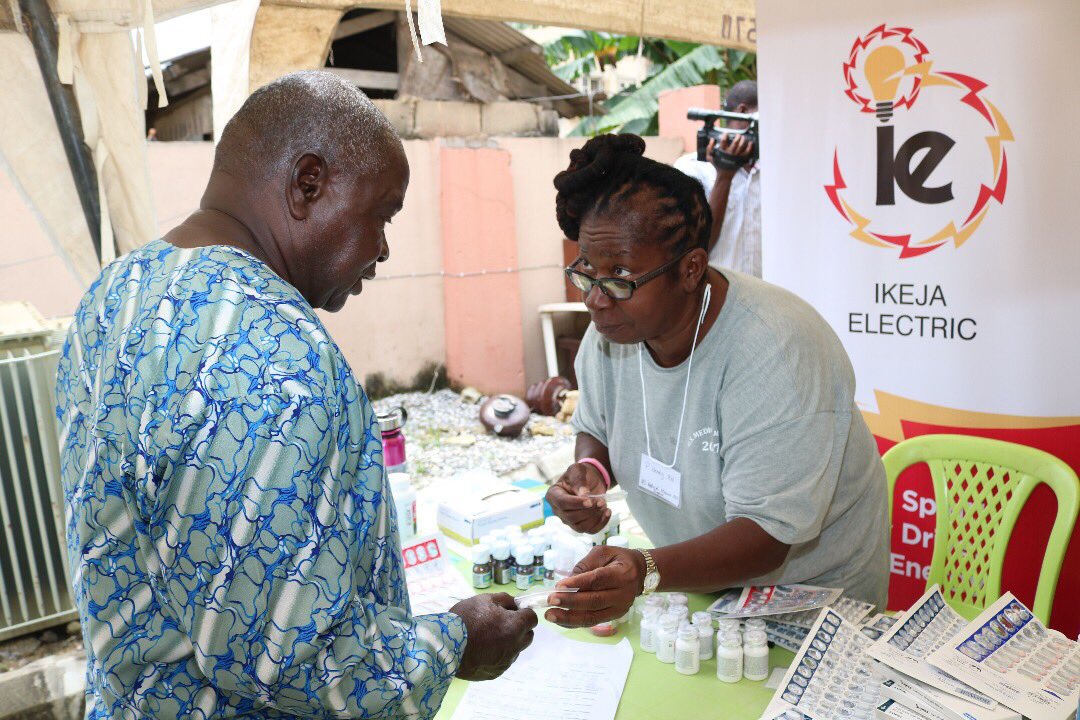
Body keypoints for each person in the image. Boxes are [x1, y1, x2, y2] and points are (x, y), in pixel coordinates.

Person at [55, 72, 536, 719]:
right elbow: (292, 663)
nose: (384, 248)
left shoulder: (115, 294)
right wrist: (454, 641)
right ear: (308, 184)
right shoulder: (274, 358)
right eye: (381, 215)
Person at [543, 134, 888, 630]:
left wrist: (646, 569)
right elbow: (598, 425)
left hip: (813, 607)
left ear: (690, 269)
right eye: (586, 272)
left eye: (620, 276)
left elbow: (766, 536)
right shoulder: (612, 333)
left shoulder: (777, 350)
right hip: (698, 590)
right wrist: (591, 470)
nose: (597, 298)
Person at [673, 80, 761, 277]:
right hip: (716, 300)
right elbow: (696, 245)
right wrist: (725, 176)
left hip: (769, 300)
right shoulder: (692, 169)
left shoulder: (776, 172)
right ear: (744, 113)